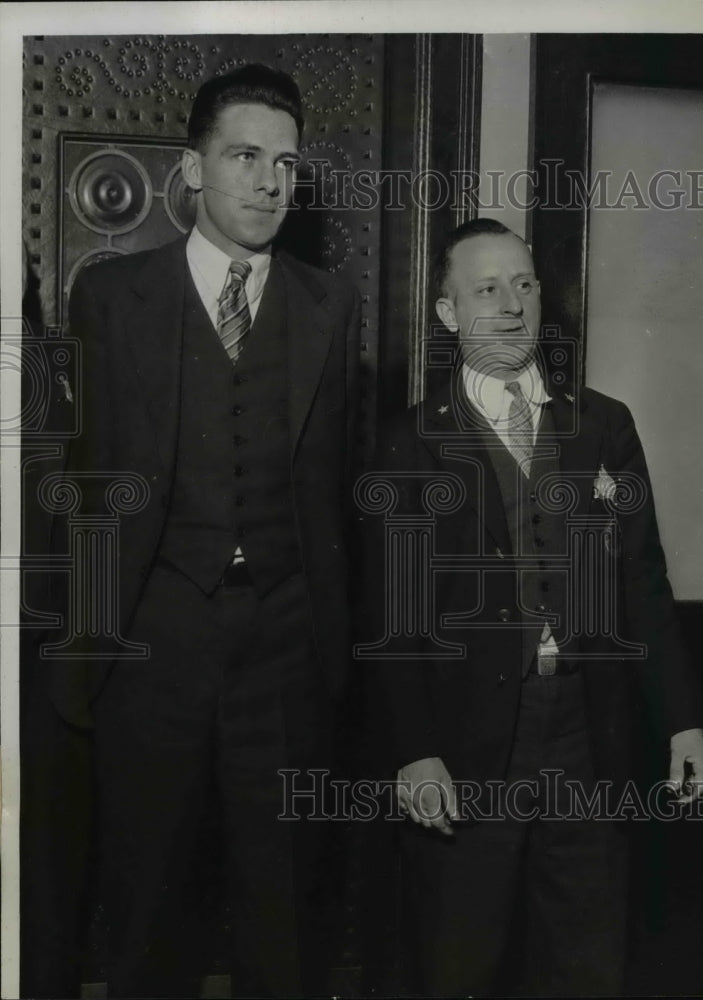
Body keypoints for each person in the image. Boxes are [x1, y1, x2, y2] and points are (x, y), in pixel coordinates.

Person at [45, 64, 361, 998]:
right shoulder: (110, 298)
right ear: (193, 168)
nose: (268, 182)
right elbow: (87, 488)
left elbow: (336, 490)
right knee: (147, 916)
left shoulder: (330, 305)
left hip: (286, 651)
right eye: (244, 156)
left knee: (283, 921)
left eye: (286, 163)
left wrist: (331, 654)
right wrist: (82, 659)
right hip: (151, 644)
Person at [362, 217, 703, 996]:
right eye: (486, 289)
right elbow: (391, 621)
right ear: (449, 313)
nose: (512, 305)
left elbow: (642, 584)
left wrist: (684, 719)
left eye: (523, 285)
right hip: (465, 741)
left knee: (587, 960)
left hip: (589, 729)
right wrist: (414, 753)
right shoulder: (409, 443)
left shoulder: (601, 425)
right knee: (457, 961)